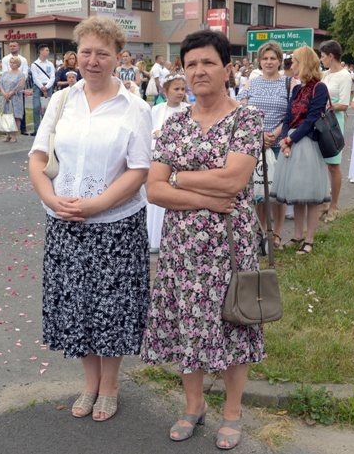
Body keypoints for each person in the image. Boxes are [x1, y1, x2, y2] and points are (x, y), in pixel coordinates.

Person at [140, 29, 265, 450]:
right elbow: (153, 190)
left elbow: (234, 180)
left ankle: (232, 411)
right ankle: (193, 406)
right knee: (185, 327)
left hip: (230, 247)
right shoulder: (174, 123)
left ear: (228, 69)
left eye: (208, 62)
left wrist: (178, 176)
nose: (199, 71)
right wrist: (202, 197)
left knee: (235, 324)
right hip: (181, 250)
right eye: (191, 64)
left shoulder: (246, 119)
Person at [27, 16, 152, 423]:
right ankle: (89, 381)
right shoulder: (63, 100)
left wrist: (98, 205)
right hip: (65, 222)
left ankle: (111, 385)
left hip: (115, 224)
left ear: (118, 57)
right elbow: (38, 157)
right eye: (86, 52)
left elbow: (138, 170)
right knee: (76, 305)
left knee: (111, 307)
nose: (93, 60)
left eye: (103, 53)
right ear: (75, 54)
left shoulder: (135, 107)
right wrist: (50, 196)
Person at [270, 46, 331, 255]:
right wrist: (286, 138)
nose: (291, 65)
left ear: (304, 63)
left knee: (310, 194)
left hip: (307, 144)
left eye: (295, 61)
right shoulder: (296, 89)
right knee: (296, 192)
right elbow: (288, 116)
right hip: (293, 143)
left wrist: (290, 139)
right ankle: (297, 234)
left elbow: (312, 119)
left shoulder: (319, 88)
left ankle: (309, 238)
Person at [237, 41, 296, 249]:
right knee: (259, 191)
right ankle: (262, 233)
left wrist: (275, 134)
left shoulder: (289, 83)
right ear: (259, 61)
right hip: (255, 142)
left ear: (279, 60)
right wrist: (259, 133)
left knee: (277, 193)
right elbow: (241, 111)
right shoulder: (251, 82)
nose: (269, 62)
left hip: (280, 142)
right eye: (265, 58)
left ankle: (277, 234)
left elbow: (293, 114)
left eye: (273, 58)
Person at [147, 73, 189, 253]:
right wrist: (156, 133)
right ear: (165, 91)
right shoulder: (157, 110)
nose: (180, 93)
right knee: (157, 200)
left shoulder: (188, 109)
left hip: (178, 160)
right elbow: (148, 130)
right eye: (176, 89)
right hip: (159, 159)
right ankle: (155, 238)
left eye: (182, 89)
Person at [319, 40, 351, 222]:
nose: (321, 59)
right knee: (322, 164)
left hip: (333, 123)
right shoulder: (326, 75)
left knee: (333, 165)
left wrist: (326, 107)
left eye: (323, 56)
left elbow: (344, 104)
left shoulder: (344, 76)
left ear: (331, 56)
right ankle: (324, 201)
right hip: (322, 121)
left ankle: (334, 205)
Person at [1, 41, 29, 135]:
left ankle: (22, 128)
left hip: (18, 89)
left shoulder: (23, 59)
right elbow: (4, 73)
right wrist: (5, 92)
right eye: (11, 46)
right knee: (7, 112)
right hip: (7, 86)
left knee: (19, 110)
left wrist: (18, 82)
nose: (12, 47)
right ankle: (7, 132)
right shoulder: (5, 59)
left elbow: (25, 73)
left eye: (14, 46)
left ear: (18, 47)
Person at [0, 56, 25, 143]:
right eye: (10, 62)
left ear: (18, 64)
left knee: (15, 116)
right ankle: (7, 134)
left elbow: (19, 86)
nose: (11, 64)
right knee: (6, 115)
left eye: (13, 63)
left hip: (15, 98)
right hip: (5, 98)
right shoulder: (5, 73)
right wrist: (4, 93)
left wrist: (10, 93)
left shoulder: (20, 75)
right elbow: (0, 84)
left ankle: (14, 135)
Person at [30, 44, 56, 136]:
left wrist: (47, 86)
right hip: (38, 87)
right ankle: (37, 129)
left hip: (48, 86)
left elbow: (52, 77)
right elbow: (35, 78)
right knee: (36, 107)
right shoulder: (35, 64)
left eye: (48, 50)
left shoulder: (50, 64)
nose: (48, 52)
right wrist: (42, 87)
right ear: (41, 51)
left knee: (47, 108)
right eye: (46, 50)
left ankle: (47, 129)